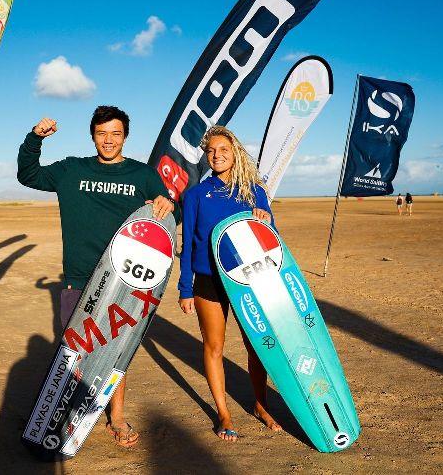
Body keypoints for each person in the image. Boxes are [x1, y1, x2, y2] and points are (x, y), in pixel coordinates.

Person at [17, 105, 177, 448]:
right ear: (93, 136)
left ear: (125, 136)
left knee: (116, 349)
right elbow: (28, 175)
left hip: (125, 279)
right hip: (79, 276)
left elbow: (161, 212)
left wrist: (167, 204)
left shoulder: (142, 175)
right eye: (102, 133)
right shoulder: (71, 169)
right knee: (75, 351)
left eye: (116, 134)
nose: (109, 140)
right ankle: (65, 412)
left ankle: (115, 417)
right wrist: (34, 139)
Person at [178, 125, 281, 442]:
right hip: (208, 280)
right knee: (214, 347)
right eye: (211, 151)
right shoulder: (196, 194)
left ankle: (261, 404)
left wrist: (265, 219)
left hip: (248, 280)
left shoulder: (254, 191)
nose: (216, 155)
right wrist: (185, 289)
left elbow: (272, 238)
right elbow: (188, 245)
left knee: (256, 347)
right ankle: (223, 413)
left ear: (234, 152)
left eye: (223, 149)